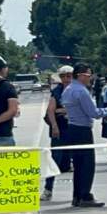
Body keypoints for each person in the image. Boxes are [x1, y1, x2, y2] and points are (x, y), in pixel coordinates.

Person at [62, 63, 107, 207]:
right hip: (82, 130)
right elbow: (93, 112)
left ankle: (77, 195)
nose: (90, 78)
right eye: (88, 75)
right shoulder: (81, 91)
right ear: (80, 75)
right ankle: (85, 196)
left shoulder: (68, 89)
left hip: (72, 128)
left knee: (78, 164)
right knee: (87, 164)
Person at [41, 65, 73, 202]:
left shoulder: (77, 90)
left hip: (75, 129)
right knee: (54, 160)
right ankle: (48, 190)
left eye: (69, 76)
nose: (66, 79)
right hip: (59, 130)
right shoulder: (57, 91)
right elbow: (51, 110)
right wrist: (54, 126)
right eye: (63, 76)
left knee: (77, 160)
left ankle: (79, 192)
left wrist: (64, 111)